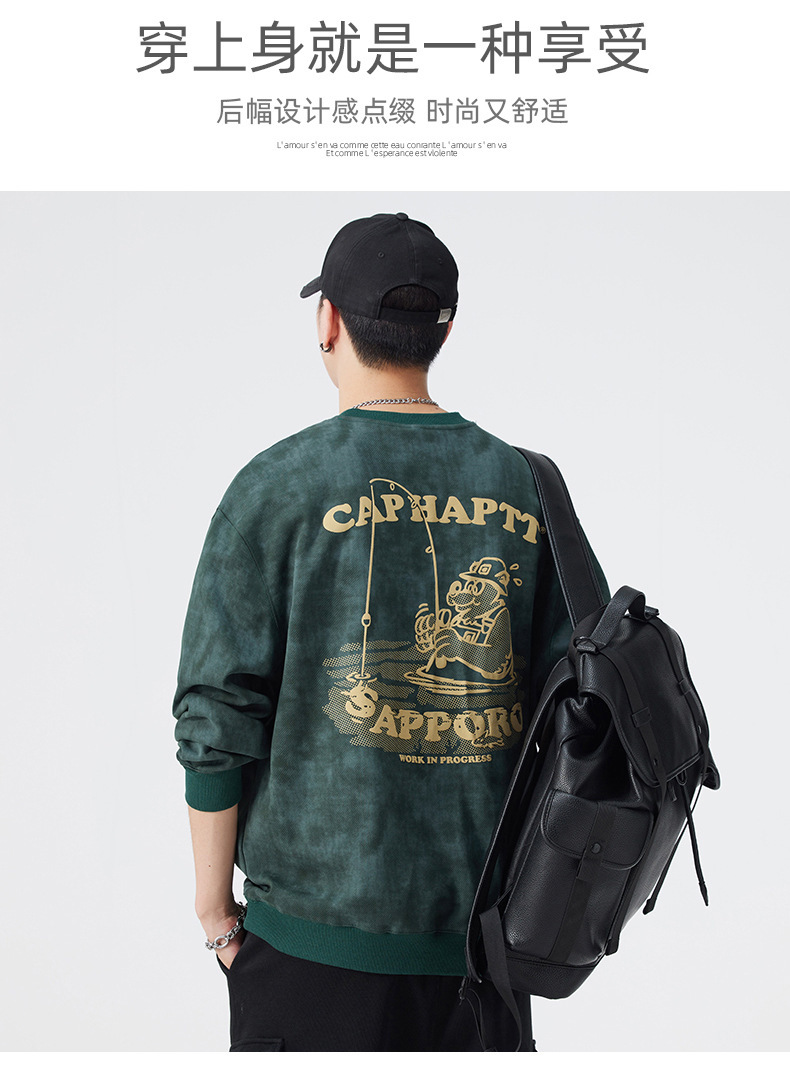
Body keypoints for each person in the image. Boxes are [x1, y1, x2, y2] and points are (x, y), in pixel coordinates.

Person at [172, 212, 607, 1051]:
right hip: (484, 956)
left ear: (328, 320)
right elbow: (577, 713)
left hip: (307, 953)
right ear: (445, 327)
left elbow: (216, 719)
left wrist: (215, 909)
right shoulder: (525, 486)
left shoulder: (274, 486)